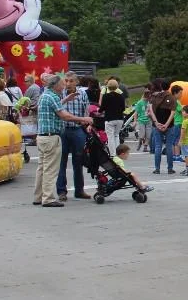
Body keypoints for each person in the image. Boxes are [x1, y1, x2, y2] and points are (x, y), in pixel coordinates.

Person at [34, 75, 91, 207]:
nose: (64, 85)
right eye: (62, 83)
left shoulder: (45, 95)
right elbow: (64, 116)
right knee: (51, 169)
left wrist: (66, 99)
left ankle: (38, 197)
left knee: (42, 168)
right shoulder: (53, 96)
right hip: (51, 136)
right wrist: (83, 119)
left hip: (42, 136)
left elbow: (55, 107)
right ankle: (48, 198)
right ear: (56, 85)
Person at [56, 72, 92, 201]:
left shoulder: (82, 94)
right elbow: (56, 109)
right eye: (66, 81)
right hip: (63, 130)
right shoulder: (60, 93)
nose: (68, 83)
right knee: (62, 161)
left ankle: (79, 190)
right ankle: (61, 191)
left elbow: (86, 110)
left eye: (71, 81)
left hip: (77, 129)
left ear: (77, 82)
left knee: (78, 160)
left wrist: (87, 123)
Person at [148, 79, 177, 175]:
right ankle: (170, 168)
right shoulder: (172, 98)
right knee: (169, 146)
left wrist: (156, 123)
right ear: (169, 87)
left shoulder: (154, 97)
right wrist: (166, 124)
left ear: (161, 86)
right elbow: (172, 113)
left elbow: (151, 111)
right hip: (169, 126)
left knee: (158, 146)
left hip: (157, 125)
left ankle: (157, 169)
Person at [100, 79, 127, 149]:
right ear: (117, 86)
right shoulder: (121, 96)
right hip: (119, 119)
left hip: (109, 118)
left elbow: (102, 108)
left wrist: (99, 110)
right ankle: (118, 151)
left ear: (108, 86)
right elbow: (123, 108)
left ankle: (112, 153)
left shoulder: (106, 96)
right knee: (116, 135)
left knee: (110, 137)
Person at [134, 88, 151, 153]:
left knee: (148, 135)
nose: (149, 99)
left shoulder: (150, 102)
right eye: (148, 97)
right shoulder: (140, 103)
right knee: (142, 135)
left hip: (149, 120)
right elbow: (136, 113)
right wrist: (135, 121)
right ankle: (140, 142)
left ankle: (145, 147)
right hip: (141, 120)